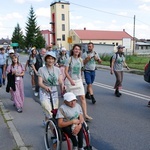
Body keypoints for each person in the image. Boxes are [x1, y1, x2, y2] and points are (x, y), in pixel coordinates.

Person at [65, 44, 92, 121]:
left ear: (80, 51)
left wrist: (81, 79)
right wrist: (71, 80)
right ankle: (69, 114)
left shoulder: (80, 60)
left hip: (78, 81)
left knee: (82, 98)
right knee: (71, 100)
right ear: (73, 50)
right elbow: (66, 72)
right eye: (75, 49)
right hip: (70, 81)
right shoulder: (69, 59)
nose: (77, 50)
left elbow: (81, 70)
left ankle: (85, 114)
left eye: (78, 49)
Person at [38, 51, 64, 123]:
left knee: (54, 111)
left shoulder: (57, 69)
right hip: (44, 93)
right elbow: (40, 83)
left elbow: (60, 81)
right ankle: (53, 129)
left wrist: (63, 87)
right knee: (49, 111)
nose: (50, 60)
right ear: (46, 59)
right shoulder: (41, 69)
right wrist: (45, 87)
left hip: (54, 92)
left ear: (55, 60)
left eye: (52, 59)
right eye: (49, 58)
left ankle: (47, 122)